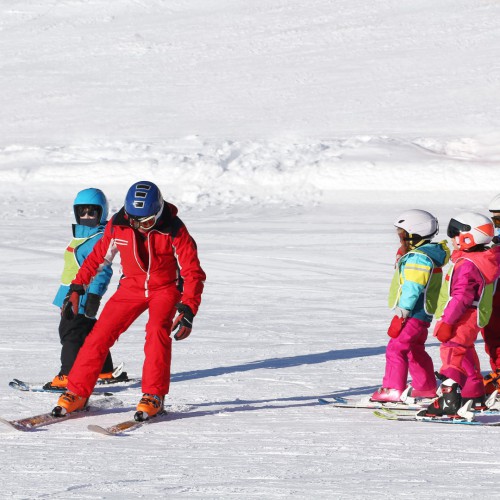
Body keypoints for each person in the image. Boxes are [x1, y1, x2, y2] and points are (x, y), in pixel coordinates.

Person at [52, 181, 206, 421]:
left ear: (158, 212)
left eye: (145, 222)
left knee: (156, 331)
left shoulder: (175, 229)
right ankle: (78, 392)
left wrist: (189, 308)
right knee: (99, 335)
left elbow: (192, 272)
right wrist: (77, 286)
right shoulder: (119, 225)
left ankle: (154, 396)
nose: (139, 227)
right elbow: (96, 259)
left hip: (164, 289)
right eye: (134, 220)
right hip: (131, 288)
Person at [45, 188, 126, 391]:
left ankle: (68, 375)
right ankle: (104, 370)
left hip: (81, 295)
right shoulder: (82, 235)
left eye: (92, 212)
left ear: (102, 213)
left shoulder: (99, 238)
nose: (87, 216)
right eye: (83, 212)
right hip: (69, 292)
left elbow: (103, 270)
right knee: (91, 333)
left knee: (70, 333)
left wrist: (93, 295)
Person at [425, 212, 500, 416]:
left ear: (468, 237)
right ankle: (473, 395)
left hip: (461, 316)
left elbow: (461, 296)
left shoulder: (467, 265)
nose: (452, 239)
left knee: (452, 351)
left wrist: (448, 321)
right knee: (464, 351)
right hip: (472, 315)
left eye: (455, 234)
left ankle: (449, 399)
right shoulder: (482, 259)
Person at [371, 209, 450, 403]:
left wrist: (402, 312)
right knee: (414, 349)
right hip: (421, 314)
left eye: (402, 234)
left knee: (396, 349)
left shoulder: (419, 258)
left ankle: (392, 389)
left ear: (415, 233)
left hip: (412, 313)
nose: (400, 238)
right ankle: (425, 387)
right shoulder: (424, 254)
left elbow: (412, 287)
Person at [482, 194, 500, 394]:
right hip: (492, 297)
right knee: (492, 335)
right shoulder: (492, 242)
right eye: (493, 221)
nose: (496, 226)